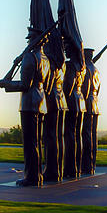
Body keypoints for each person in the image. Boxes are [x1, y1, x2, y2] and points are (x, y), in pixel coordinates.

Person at [0, 28, 50, 186]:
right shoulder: (45, 59)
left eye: (29, 39)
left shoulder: (30, 57)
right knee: (36, 142)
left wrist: (6, 84)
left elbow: (24, 85)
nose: (27, 42)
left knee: (30, 143)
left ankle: (32, 176)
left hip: (29, 103)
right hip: (41, 103)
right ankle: (37, 175)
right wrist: (15, 65)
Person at [62, 44, 86, 178]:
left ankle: (70, 168)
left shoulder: (71, 66)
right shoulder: (81, 67)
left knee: (70, 136)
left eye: (67, 48)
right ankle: (77, 167)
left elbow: (68, 87)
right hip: (80, 102)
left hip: (71, 101)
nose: (65, 50)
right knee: (77, 136)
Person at [42, 48, 67, 183]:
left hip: (52, 100)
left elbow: (48, 85)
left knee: (49, 136)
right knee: (57, 137)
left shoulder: (52, 63)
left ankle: (52, 170)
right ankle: (58, 169)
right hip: (60, 100)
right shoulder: (62, 64)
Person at [81, 47, 100, 174]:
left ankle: (87, 165)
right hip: (95, 104)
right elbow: (98, 90)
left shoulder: (86, 69)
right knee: (93, 136)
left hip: (87, 104)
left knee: (86, 136)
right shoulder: (96, 70)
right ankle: (91, 165)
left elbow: (85, 89)